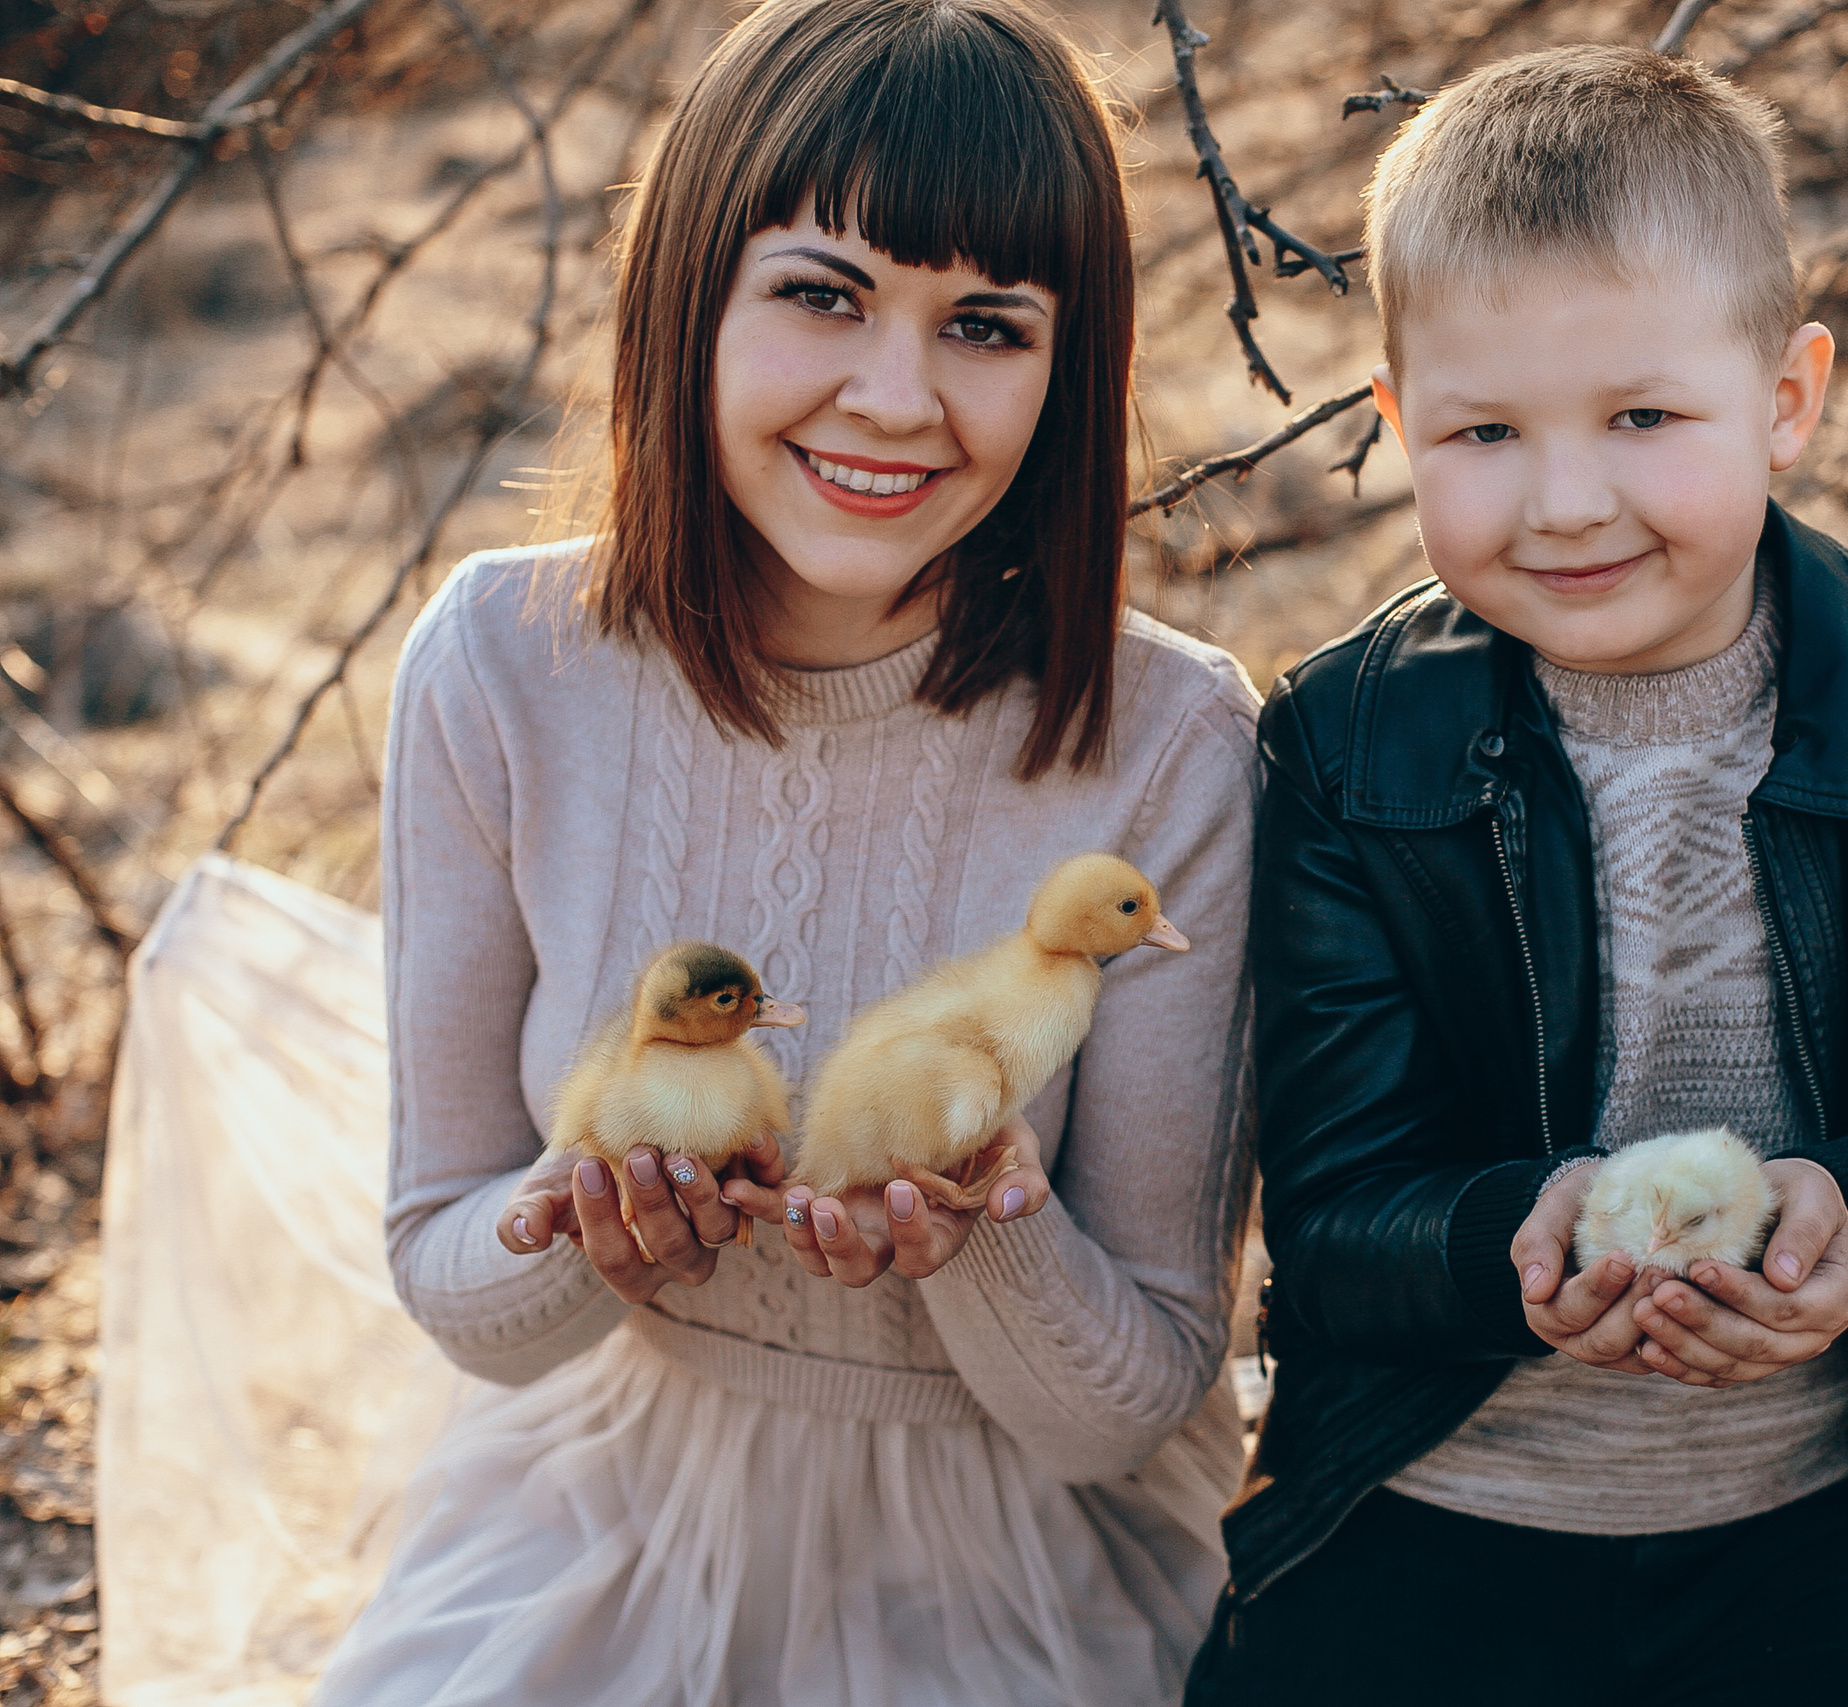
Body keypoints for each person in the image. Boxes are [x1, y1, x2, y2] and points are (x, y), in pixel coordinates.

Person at [311, 2, 1259, 1701]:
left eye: (985, 324)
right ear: (692, 296)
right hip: (595, 1520)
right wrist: (587, 1233)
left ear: (1072, 365)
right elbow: (446, 1265)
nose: (893, 399)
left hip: (1014, 1573)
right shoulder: (502, 665)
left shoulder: (1172, 743)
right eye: (821, 294)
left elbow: (1137, 1399)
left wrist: (980, 1225)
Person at [1189, 45, 1848, 1705]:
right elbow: (1338, 1217)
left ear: (1786, 396)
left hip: (1827, 1520)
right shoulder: (1351, 747)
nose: (1568, 502)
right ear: (1402, 422)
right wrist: (1521, 1235)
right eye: (1485, 431)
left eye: (1642, 415)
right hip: (1426, 1501)